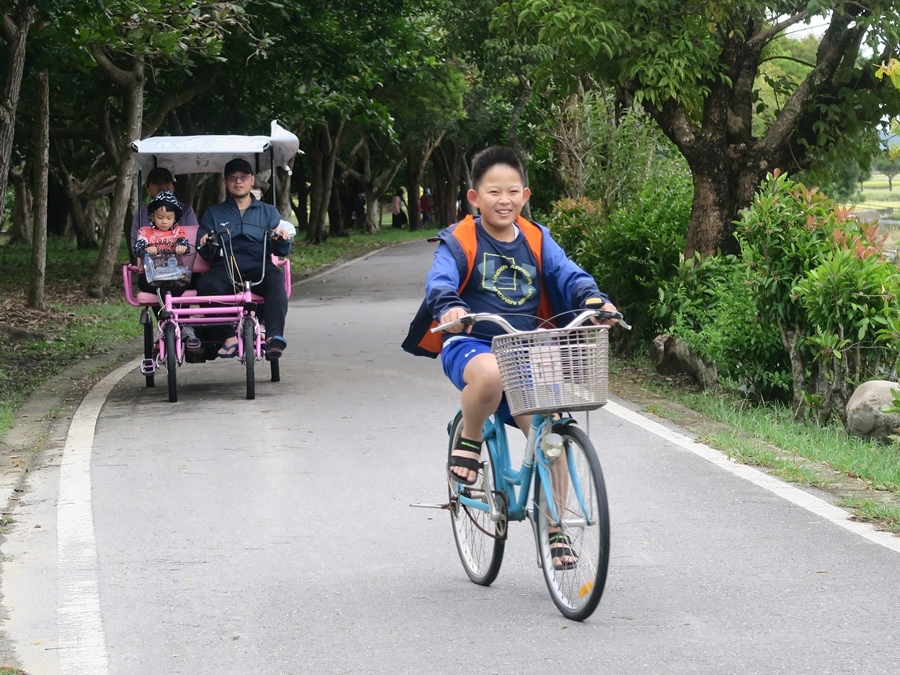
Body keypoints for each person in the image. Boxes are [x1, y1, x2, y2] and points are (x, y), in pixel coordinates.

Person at [402, 146, 618, 569]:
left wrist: (593, 300)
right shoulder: (459, 239)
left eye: (512, 192)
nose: (504, 200)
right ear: (474, 197)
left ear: (525, 195)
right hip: (472, 343)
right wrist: (449, 305)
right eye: (493, 191)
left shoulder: (537, 238)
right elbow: (440, 278)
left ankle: (555, 529)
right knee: (489, 373)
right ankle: (469, 436)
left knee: (552, 436)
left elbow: (567, 274)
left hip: (526, 349)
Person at [195, 158, 293, 359]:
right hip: (227, 263)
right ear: (225, 181)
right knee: (205, 284)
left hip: (259, 263)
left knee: (276, 282)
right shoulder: (214, 212)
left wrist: (281, 239)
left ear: (252, 180)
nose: (238, 181)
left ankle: (274, 337)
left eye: (243, 177)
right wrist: (206, 243)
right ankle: (228, 336)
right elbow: (204, 251)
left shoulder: (268, 211)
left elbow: (282, 249)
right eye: (232, 177)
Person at [133, 190, 200, 350]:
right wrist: (145, 250)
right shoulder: (145, 231)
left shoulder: (178, 232)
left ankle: (177, 321)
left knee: (179, 283)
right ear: (152, 216)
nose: (164, 222)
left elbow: (184, 244)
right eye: (160, 217)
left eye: (169, 218)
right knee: (162, 286)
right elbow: (138, 246)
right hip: (152, 275)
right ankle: (169, 321)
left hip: (175, 273)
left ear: (175, 218)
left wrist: (181, 247)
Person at [130, 167, 198, 251]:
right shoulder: (140, 215)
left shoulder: (187, 211)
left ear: (173, 187)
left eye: (167, 181)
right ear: (148, 189)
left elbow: (194, 242)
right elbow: (135, 247)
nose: (162, 186)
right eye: (156, 182)